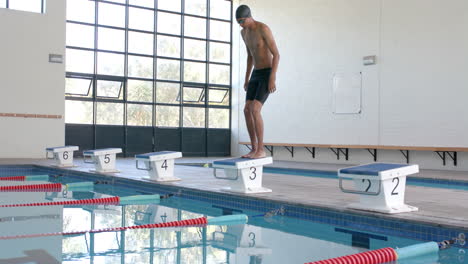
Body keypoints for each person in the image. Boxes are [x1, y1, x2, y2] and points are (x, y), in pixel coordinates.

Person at [236, 5, 280, 159]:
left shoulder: (263, 29)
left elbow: (276, 54)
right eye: (238, 22)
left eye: (242, 21)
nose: (241, 25)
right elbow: (249, 56)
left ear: (249, 17)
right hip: (255, 74)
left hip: (267, 72)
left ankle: (261, 149)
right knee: (246, 110)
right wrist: (247, 78)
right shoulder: (244, 33)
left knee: (255, 109)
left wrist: (272, 77)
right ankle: (253, 149)